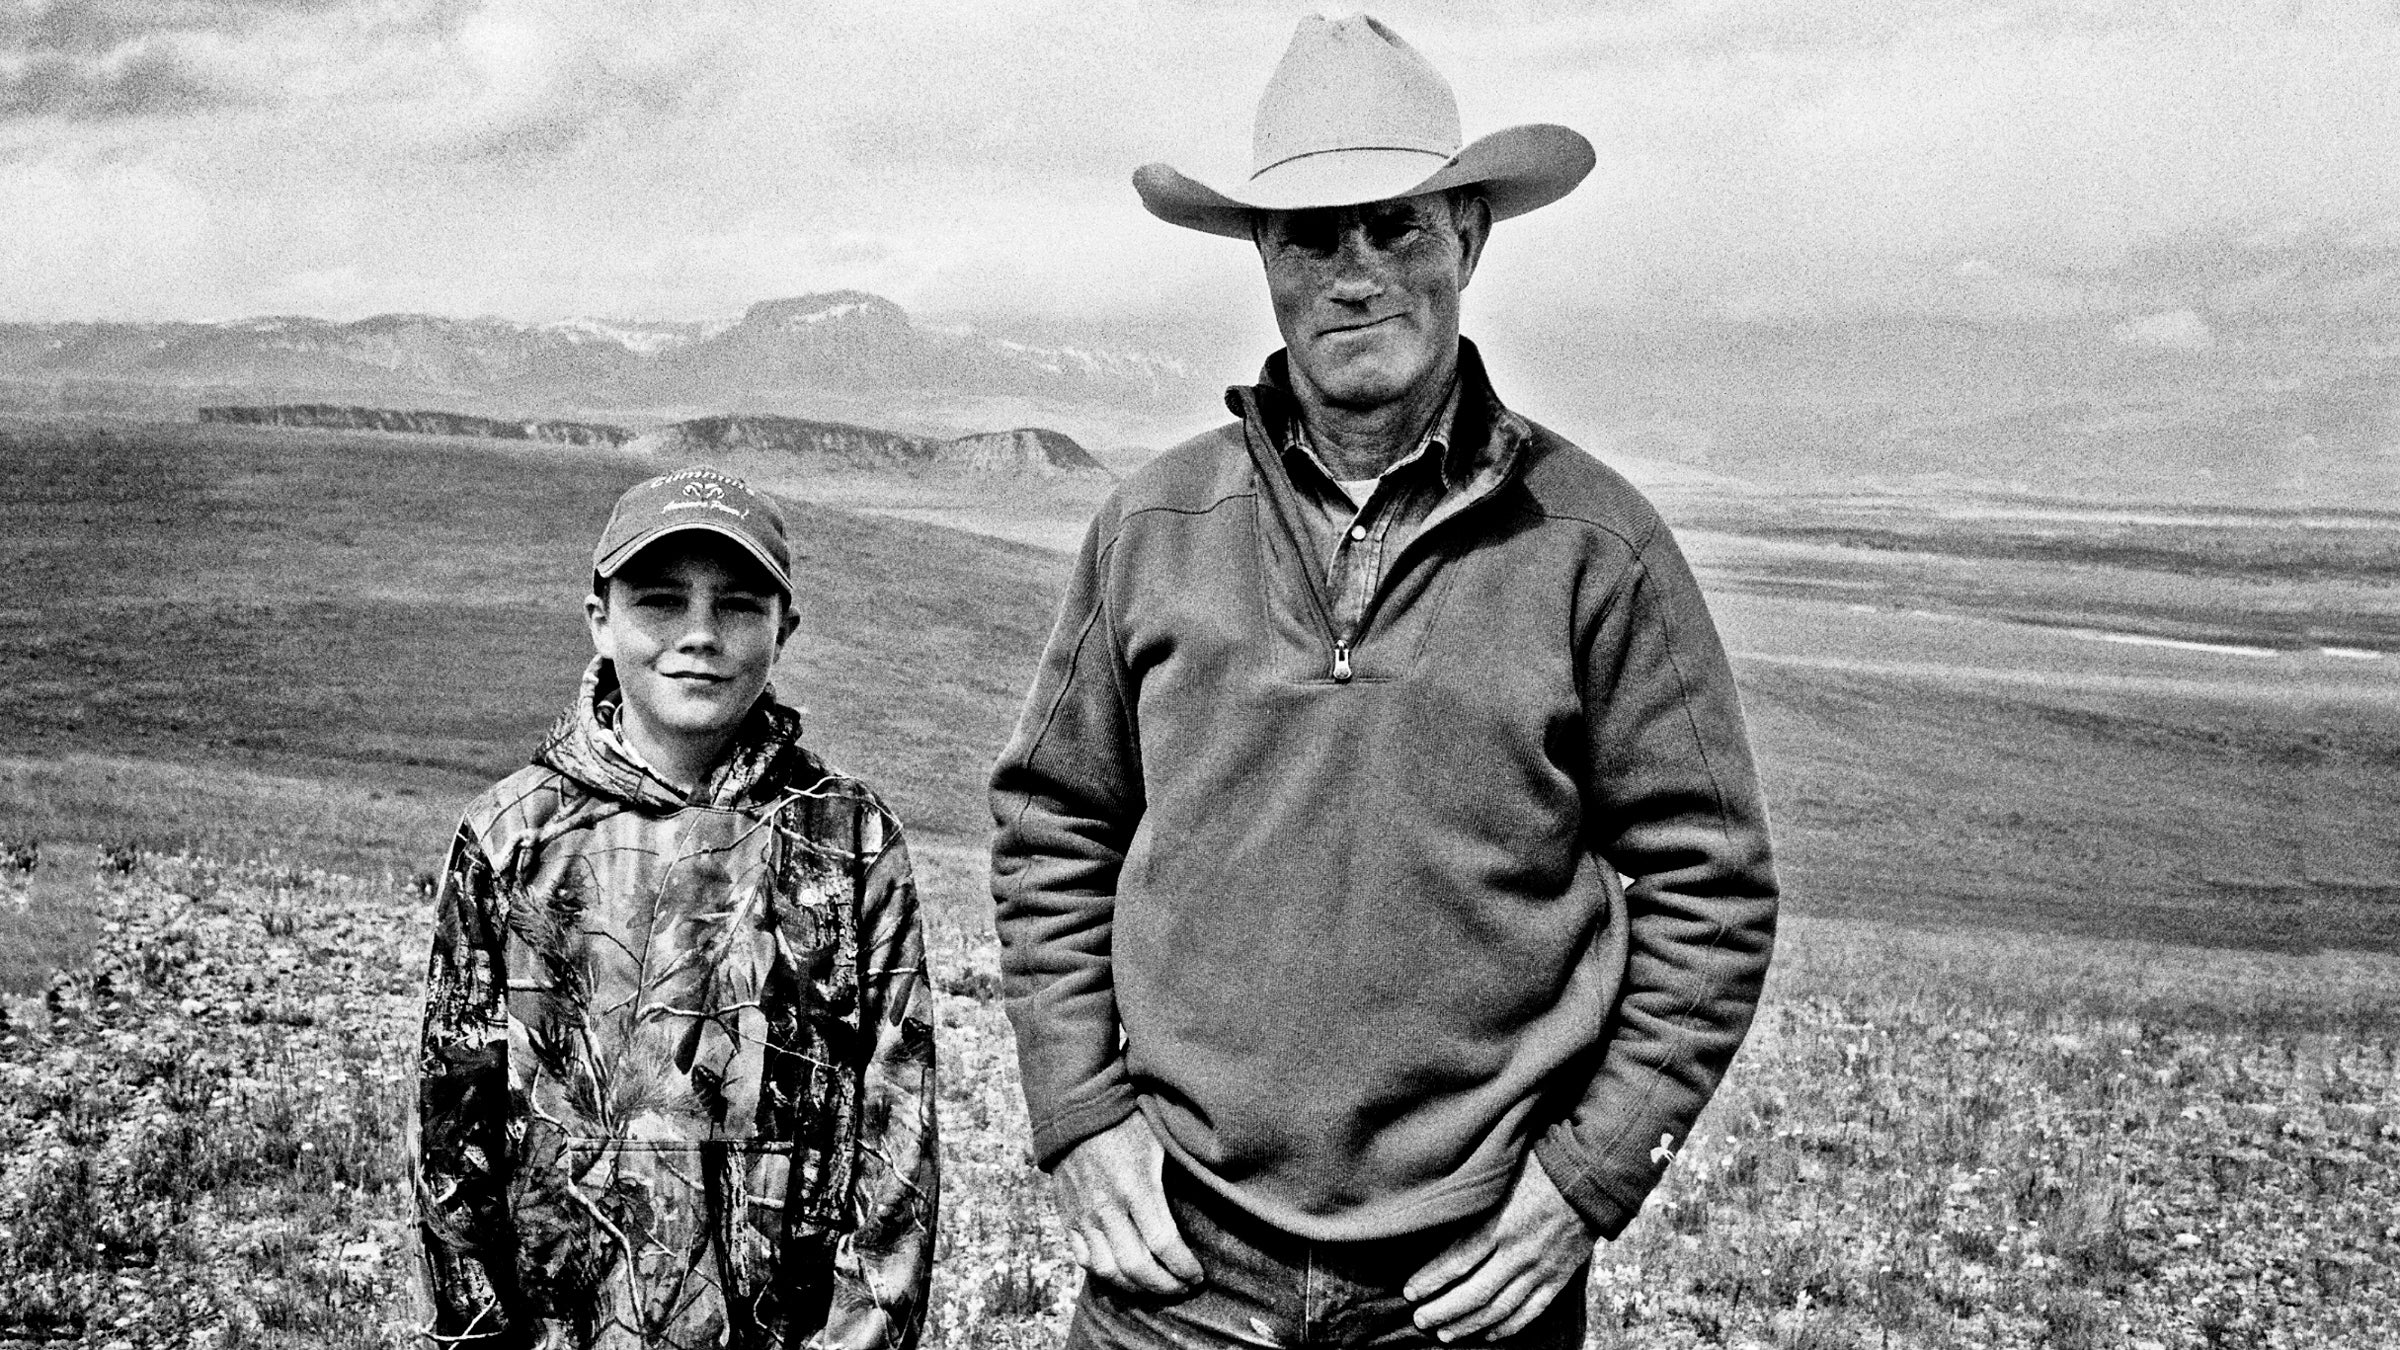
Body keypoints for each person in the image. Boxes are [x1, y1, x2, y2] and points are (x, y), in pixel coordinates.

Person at [990, 14, 1778, 1349]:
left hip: (1467, 1283)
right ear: (1263, 258)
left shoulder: (1595, 547)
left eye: (1397, 226)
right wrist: (1077, 1117)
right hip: (1176, 1263)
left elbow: (1714, 881)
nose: (1358, 273)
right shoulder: (1154, 526)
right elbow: (1054, 825)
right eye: (1312, 233)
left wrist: (1584, 1181)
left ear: (1471, 236)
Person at [413, 467, 937, 1350]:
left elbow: (899, 1134)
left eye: (737, 605)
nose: (699, 635)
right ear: (600, 620)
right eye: (660, 600)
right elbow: (451, 1139)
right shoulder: (512, 836)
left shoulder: (849, 837)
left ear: (786, 630)